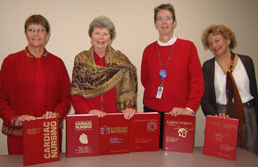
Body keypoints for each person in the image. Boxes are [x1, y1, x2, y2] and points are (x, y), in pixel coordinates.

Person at [0, 15, 71, 154]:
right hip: (19, 135)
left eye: (40, 29)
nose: (36, 33)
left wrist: (56, 114)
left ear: (47, 35)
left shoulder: (57, 63)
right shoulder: (10, 61)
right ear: (26, 33)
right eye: (31, 29)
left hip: (49, 135)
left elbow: (66, 98)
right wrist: (15, 118)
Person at [141, 3, 204, 148]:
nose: (164, 22)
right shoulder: (148, 50)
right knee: (151, 156)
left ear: (174, 22)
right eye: (160, 18)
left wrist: (189, 109)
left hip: (179, 112)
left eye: (168, 18)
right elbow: (145, 79)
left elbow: (197, 82)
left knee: (177, 158)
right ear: (155, 24)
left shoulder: (188, 47)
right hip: (152, 111)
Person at [201, 24, 258, 154]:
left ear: (228, 40)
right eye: (210, 44)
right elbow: (204, 98)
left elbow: (254, 92)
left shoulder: (246, 61)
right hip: (221, 116)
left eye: (217, 40)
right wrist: (215, 116)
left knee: (250, 155)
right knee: (221, 155)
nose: (214, 46)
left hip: (248, 115)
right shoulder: (208, 66)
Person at [71, 16, 137, 120]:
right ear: (91, 37)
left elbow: (127, 92)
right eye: (97, 33)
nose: (100, 37)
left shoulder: (121, 61)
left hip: (114, 119)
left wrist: (129, 107)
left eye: (105, 34)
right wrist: (88, 111)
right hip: (88, 118)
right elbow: (75, 93)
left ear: (110, 39)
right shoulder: (81, 60)